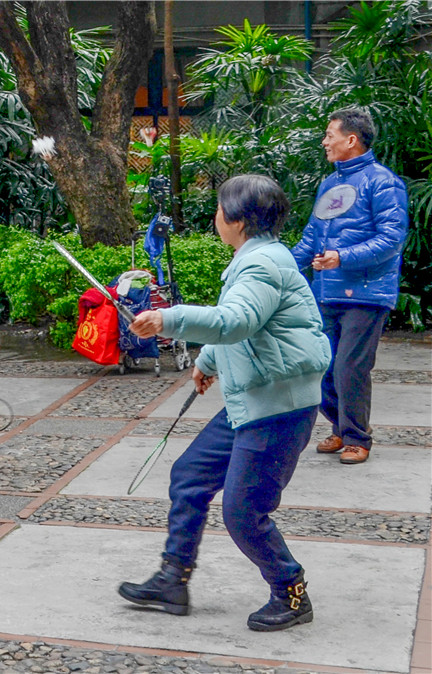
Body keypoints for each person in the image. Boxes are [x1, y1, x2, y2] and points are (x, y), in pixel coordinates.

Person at [118, 175, 331, 632]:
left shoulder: (262, 265)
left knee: (242, 511)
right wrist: (210, 358)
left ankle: (291, 592)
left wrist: (167, 319)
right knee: (190, 475)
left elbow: (235, 320)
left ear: (236, 219)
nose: (216, 217)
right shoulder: (253, 259)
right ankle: (173, 579)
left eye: (219, 209)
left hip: (277, 406)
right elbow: (246, 323)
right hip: (251, 400)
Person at [291, 107, 409, 465]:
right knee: (322, 365)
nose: (325, 141)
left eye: (330, 135)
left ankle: (358, 437)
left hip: (366, 293)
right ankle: (340, 427)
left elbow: (391, 238)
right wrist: (280, 266)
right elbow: (312, 236)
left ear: (351, 140)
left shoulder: (384, 182)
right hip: (325, 290)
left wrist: (342, 256)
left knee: (349, 368)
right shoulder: (330, 184)